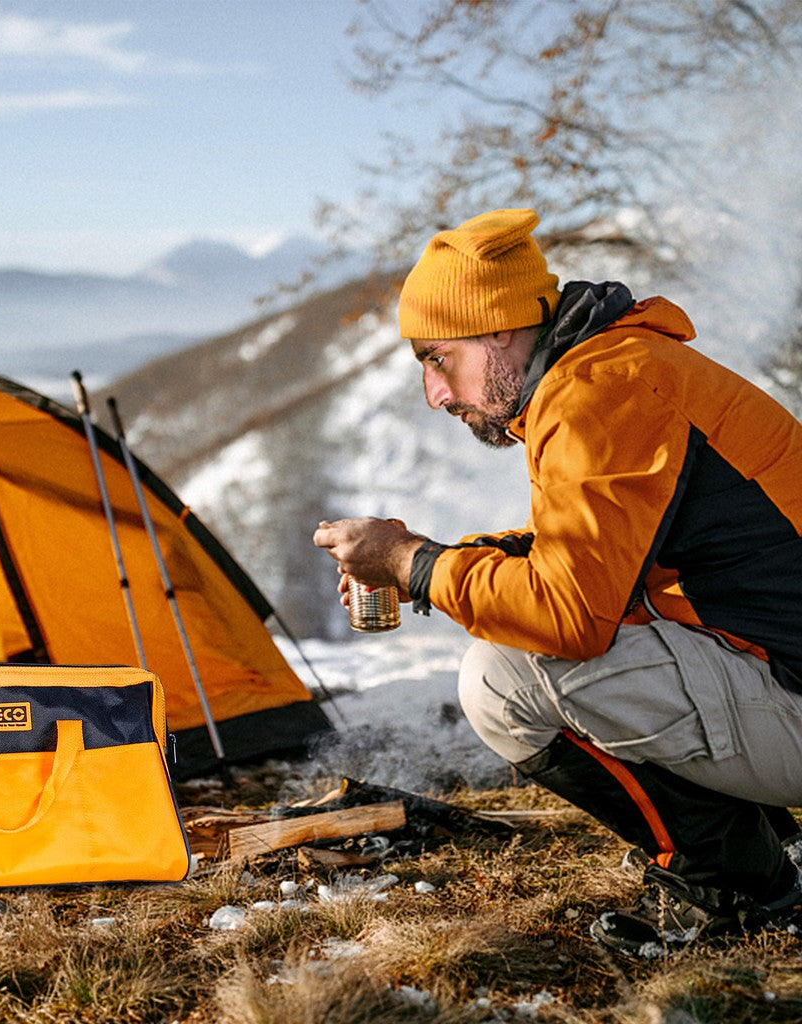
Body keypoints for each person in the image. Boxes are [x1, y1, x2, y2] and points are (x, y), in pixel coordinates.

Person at [313, 208, 802, 957]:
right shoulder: (614, 369)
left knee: (506, 677)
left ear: (500, 331)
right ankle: (762, 852)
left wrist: (414, 562)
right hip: (778, 673)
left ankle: (738, 889)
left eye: (437, 358)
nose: (435, 394)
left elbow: (570, 613)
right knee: (536, 646)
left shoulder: (600, 391)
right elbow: (582, 551)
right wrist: (420, 566)